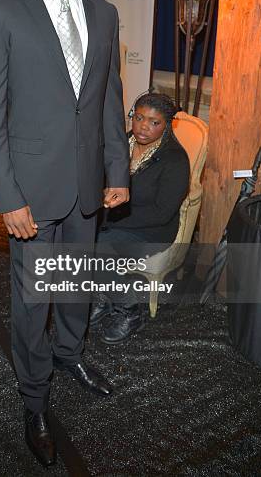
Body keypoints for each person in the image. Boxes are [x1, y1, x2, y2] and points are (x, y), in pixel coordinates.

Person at [0, 0, 129, 467]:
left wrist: (118, 169)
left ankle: (71, 354)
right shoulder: (0, 9)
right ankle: (33, 399)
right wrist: (6, 195)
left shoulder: (105, 14)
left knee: (77, 286)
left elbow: (109, 99)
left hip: (88, 185)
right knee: (33, 300)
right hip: (31, 194)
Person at [91, 92, 190, 343]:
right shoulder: (122, 143)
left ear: (166, 125)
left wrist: (108, 217)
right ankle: (104, 298)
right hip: (114, 220)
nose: (144, 126)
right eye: (139, 117)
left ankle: (129, 309)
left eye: (154, 122)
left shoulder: (175, 159)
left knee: (96, 250)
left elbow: (162, 212)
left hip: (153, 230)